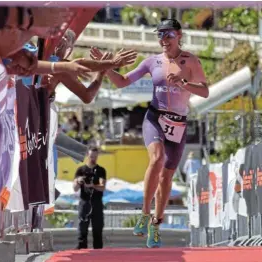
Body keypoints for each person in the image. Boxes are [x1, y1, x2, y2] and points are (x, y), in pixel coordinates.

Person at [90, 18, 209, 248]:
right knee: (156, 158)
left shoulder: (191, 61)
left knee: (166, 179)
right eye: (160, 35)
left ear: (179, 35)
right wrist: (105, 66)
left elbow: (204, 91)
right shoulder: (152, 62)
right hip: (155, 118)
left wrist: (184, 83)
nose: (164, 39)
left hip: (178, 124)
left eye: (168, 34)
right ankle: (145, 213)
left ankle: (156, 225)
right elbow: (122, 82)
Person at [73, 146, 106, 249]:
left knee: (97, 230)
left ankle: (98, 254)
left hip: (97, 203)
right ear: (88, 155)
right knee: (82, 230)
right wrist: (79, 181)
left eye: (95, 157)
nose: (93, 159)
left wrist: (92, 185)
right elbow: (75, 188)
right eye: (91, 156)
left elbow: (102, 187)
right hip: (84, 202)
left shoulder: (101, 170)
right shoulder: (81, 170)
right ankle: (82, 253)